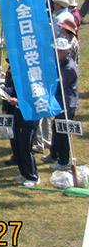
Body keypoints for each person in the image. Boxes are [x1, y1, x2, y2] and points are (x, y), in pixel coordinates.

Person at [51, 37, 80, 170]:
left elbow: (59, 84)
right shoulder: (61, 63)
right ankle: (54, 154)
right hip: (60, 103)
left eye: (57, 51)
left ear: (63, 52)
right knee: (55, 128)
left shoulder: (68, 67)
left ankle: (63, 161)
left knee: (63, 133)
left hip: (67, 105)